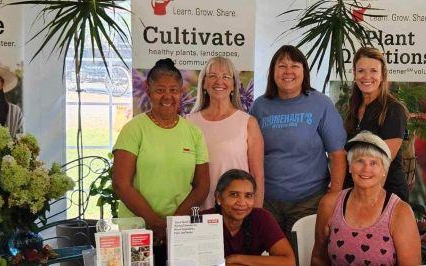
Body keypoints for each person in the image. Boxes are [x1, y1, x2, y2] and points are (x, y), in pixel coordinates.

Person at [112, 58, 210, 266]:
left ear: (181, 92)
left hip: (180, 232)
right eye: (160, 90)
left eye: (173, 90)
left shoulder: (194, 133)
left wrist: (172, 225)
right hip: (137, 231)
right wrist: (155, 223)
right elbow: (121, 184)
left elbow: (202, 186)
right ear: (148, 91)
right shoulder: (134, 129)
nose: (167, 96)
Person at [249, 45, 348, 237]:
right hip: (266, 200)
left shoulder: (320, 104)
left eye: (294, 65)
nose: (288, 72)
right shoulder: (260, 106)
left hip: (309, 202)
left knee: (301, 258)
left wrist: (333, 198)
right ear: (273, 72)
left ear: (304, 71)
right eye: (282, 66)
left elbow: (337, 154)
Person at [311, 131, 420, 265]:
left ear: (384, 170)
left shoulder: (401, 212)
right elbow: (318, 258)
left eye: (374, 163)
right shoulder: (329, 204)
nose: (366, 169)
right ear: (350, 167)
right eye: (359, 161)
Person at [187, 56, 265, 209]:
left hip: (238, 211)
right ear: (203, 83)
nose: (219, 81)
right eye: (212, 76)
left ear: (233, 85)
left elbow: (257, 177)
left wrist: (256, 216)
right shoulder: (189, 122)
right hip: (199, 211)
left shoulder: (248, 122)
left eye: (226, 77)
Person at [343, 47, 410, 202]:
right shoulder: (353, 107)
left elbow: (383, 163)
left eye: (373, 71)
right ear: (354, 74)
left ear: (382, 75)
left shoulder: (393, 110)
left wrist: (369, 201)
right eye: (361, 71)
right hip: (357, 191)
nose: (367, 76)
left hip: (385, 193)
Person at [202, 169, 294, 266]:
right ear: (218, 197)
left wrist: (237, 258)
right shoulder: (202, 221)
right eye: (234, 194)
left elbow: (288, 261)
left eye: (248, 196)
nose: (242, 203)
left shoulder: (261, 218)